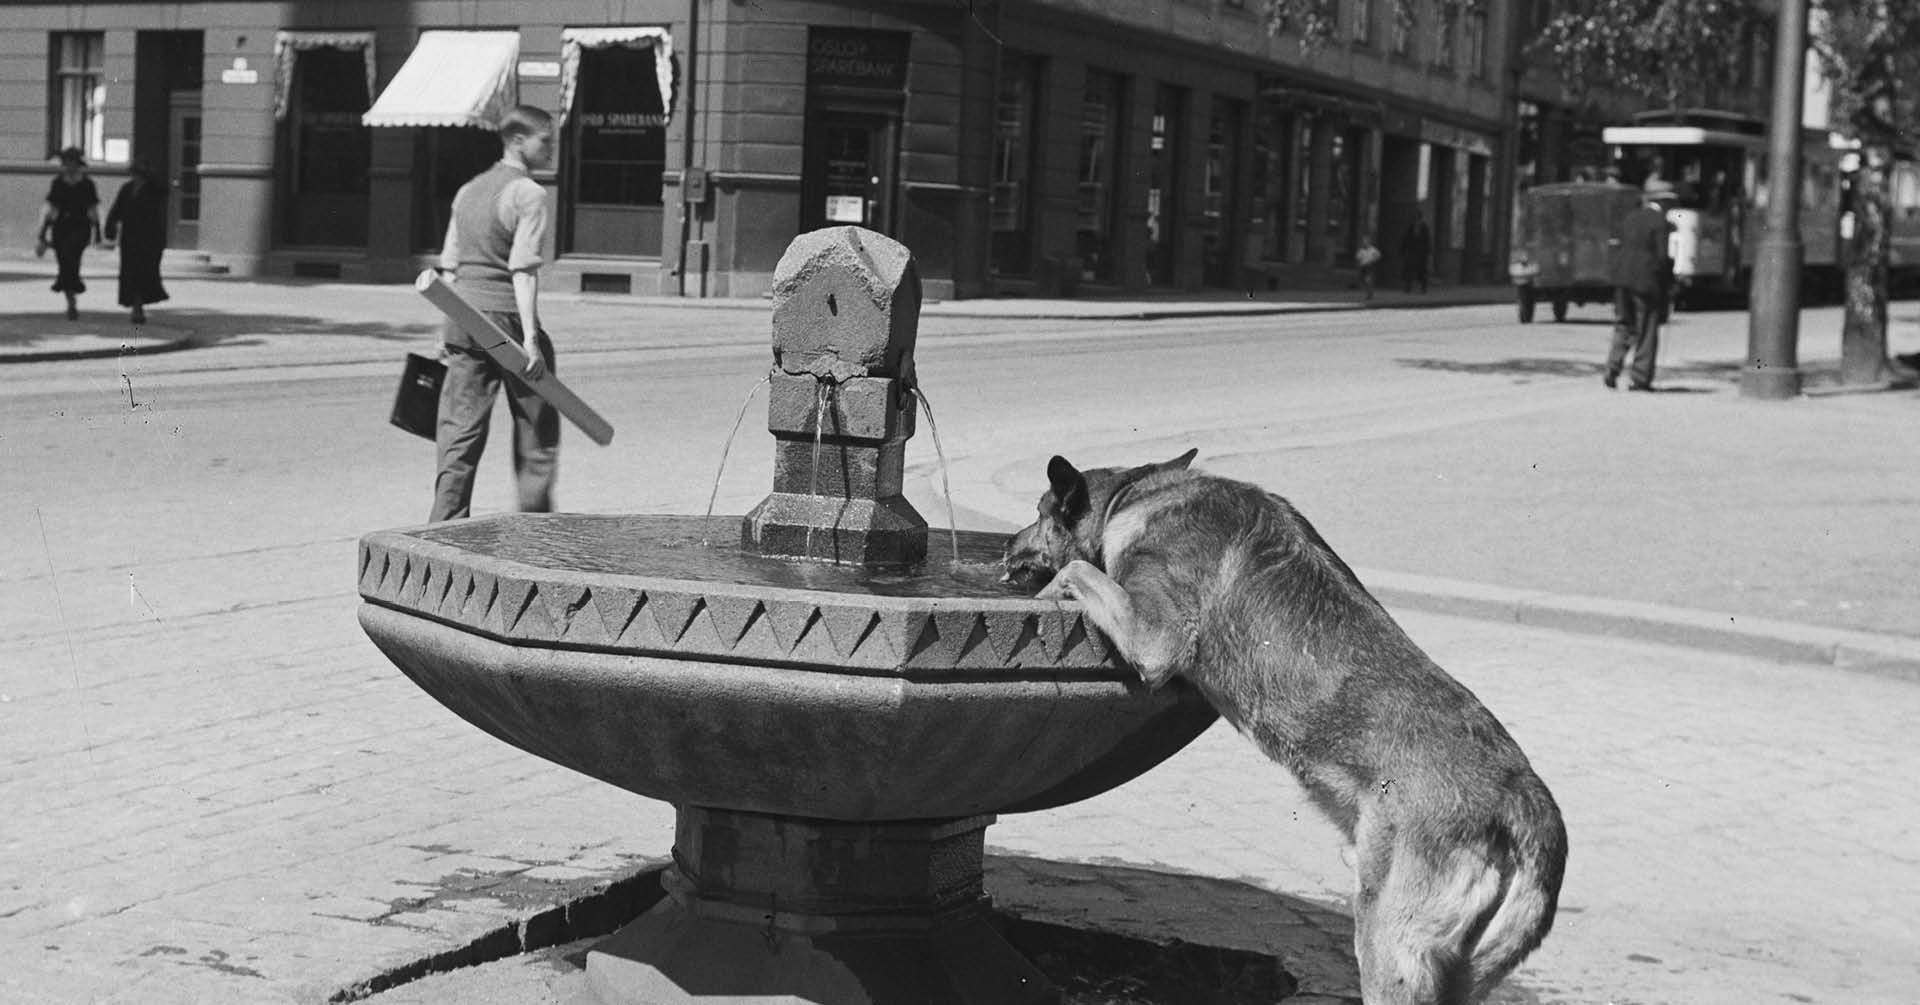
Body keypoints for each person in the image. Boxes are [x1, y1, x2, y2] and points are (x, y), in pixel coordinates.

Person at [428, 105, 561, 523]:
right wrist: (531, 339)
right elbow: (523, 270)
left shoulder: (468, 190)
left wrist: (442, 333)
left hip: (463, 317)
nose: (551, 148)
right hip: (505, 320)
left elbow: (449, 267)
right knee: (537, 432)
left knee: (459, 432)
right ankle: (534, 530)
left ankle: (444, 529)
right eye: (546, 140)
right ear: (518, 140)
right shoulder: (529, 194)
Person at [1605, 178, 1678, 391]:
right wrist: (1670, 284)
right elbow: (1662, 258)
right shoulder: (1660, 223)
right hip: (1646, 282)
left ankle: (1612, 367)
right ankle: (1640, 377)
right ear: (1663, 202)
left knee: (1624, 324)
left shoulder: (1631, 217)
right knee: (1646, 329)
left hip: (1622, 278)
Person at [37, 147, 101, 321]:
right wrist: (42, 232)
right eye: (66, 162)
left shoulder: (87, 184)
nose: (68, 166)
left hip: (80, 226)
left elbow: (92, 207)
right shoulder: (58, 182)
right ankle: (70, 299)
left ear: (77, 164)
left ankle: (71, 296)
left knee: (71, 257)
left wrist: (98, 230)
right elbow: (51, 208)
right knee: (64, 261)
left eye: (71, 162)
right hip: (61, 227)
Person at [103, 161, 170, 325]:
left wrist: (153, 179)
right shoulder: (127, 189)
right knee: (130, 273)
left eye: (139, 174)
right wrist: (109, 227)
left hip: (150, 238)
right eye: (134, 173)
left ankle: (138, 307)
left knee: (144, 272)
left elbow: (164, 191)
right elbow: (116, 209)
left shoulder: (153, 190)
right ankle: (135, 306)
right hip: (130, 238)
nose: (136, 177)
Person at [1399, 217, 1432, 294]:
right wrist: (1403, 250)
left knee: (1422, 271)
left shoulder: (1424, 228)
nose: (1417, 222)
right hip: (1412, 252)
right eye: (1416, 220)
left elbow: (1427, 240)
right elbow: (1406, 239)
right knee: (1409, 270)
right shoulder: (1411, 227)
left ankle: (1423, 288)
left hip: (1421, 253)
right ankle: (1408, 287)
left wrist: (1428, 252)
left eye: (1418, 220)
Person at [1354, 235, 1382, 301]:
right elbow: (1357, 258)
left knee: (1368, 280)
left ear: (1369, 242)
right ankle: (1368, 292)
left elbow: (1378, 255)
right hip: (1362, 266)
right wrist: (1358, 264)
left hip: (1369, 266)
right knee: (1362, 280)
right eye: (1364, 241)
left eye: (1366, 241)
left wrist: (1373, 260)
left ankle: (1370, 294)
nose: (1365, 243)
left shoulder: (1372, 249)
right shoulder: (1361, 250)